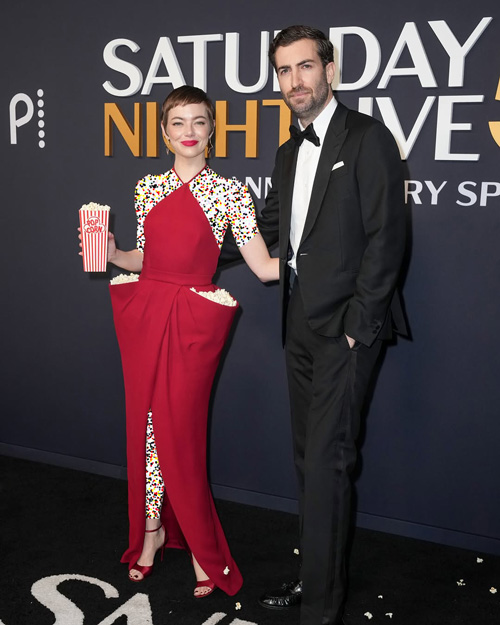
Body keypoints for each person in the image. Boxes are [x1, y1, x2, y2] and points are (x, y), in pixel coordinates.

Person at [85, 86, 278, 597]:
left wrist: (322, 258)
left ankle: (197, 541)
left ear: (212, 129)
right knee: (146, 426)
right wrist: (113, 252)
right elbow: (145, 258)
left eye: (199, 122)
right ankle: (151, 531)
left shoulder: (230, 192)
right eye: (178, 123)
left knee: (182, 430)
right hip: (146, 313)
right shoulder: (148, 187)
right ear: (164, 132)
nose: (189, 132)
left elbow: (263, 268)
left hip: (192, 320)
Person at [254, 25, 408, 625]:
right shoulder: (287, 152)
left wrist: (356, 326)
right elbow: (264, 231)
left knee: (326, 464)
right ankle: (315, 577)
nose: (295, 80)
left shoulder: (368, 138)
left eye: (305, 66)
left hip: (346, 330)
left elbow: (387, 239)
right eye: (284, 70)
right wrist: (178, 249)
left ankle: (320, 611)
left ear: (330, 69)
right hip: (297, 324)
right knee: (308, 462)